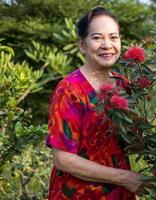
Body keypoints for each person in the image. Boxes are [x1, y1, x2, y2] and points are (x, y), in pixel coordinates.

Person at [46, 7, 144, 199]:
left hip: (119, 194)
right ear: (82, 45)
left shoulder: (123, 84)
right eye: (97, 37)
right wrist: (124, 177)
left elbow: (128, 140)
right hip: (78, 194)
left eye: (114, 37)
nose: (107, 45)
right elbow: (63, 159)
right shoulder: (69, 90)